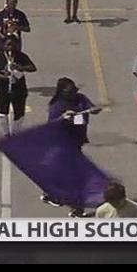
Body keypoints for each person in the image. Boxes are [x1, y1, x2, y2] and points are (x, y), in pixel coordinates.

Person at [42, 77, 102, 216]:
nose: (74, 93)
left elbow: (89, 107)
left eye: (75, 89)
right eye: (70, 91)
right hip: (63, 144)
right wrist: (63, 118)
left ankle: (49, 193)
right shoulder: (57, 106)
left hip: (77, 141)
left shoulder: (80, 98)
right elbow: (51, 125)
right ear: (62, 92)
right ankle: (76, 208)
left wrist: (94, 109)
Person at [0, 35, 37, 136]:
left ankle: (15, 133)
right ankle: (6, 133)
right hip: (3, 89)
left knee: (19, 112)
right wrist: (5, 77)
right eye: (8, 44)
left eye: (12, 44)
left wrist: (20, 67)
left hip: (19, 89)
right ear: (3, 45)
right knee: (2, 112)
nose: (10, 47)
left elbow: (33, 68)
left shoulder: (21, 56)